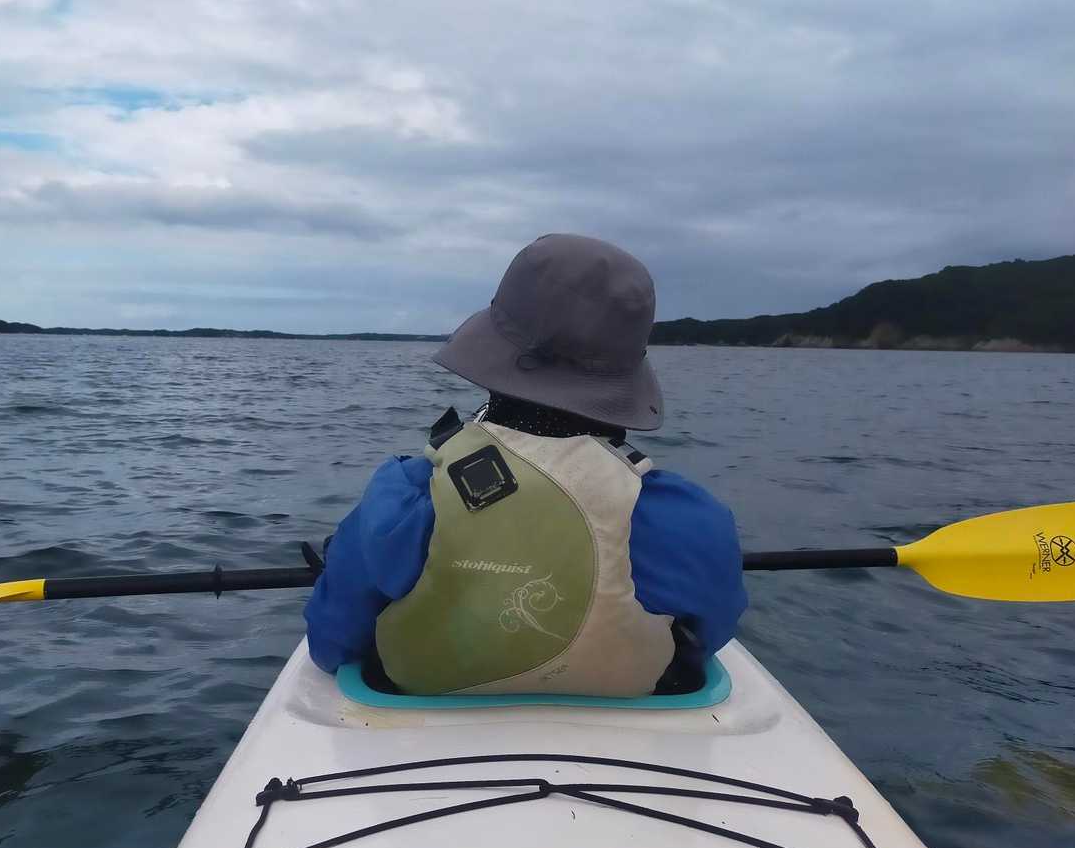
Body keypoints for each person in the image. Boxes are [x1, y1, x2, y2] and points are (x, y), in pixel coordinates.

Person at [303, 234, 746, 696]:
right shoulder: (696, 522)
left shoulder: (403, 501)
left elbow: (331, 645)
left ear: (492, 353)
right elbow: (707, 640)